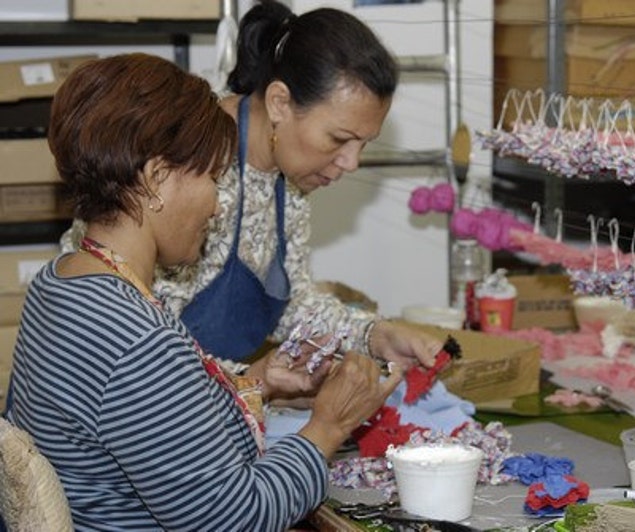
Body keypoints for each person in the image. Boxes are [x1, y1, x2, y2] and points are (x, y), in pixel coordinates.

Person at [5, 53, 401, 529]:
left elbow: (146, 421)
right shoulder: (138, 338)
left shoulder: (64, 280)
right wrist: (327, 427)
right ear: (156, 181)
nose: (217, 205)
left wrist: (255, 383)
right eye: (212, 178)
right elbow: (235, 517)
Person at [59, 0, 445, 369]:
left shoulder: (290, 180)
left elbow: (288, 304)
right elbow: (138, 341)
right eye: (339, 138)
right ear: (279, 102)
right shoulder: (191, 162)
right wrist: (258, 385)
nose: (351, 162)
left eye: (364, 144)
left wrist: (373, 336)